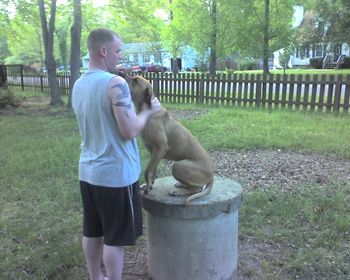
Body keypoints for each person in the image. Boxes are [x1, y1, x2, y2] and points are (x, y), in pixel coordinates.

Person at [72, 28, 161, 280]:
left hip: (88, 172)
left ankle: (95, 277)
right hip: (115, 175)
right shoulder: (115, 83)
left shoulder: (79, 83)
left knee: (92, 231)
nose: (119, 56)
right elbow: (129, 130)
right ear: (103, 51)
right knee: (114, 239)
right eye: (118, 50)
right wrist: (147, 112)